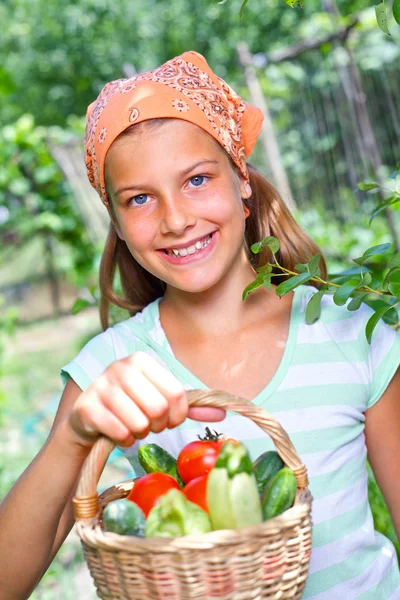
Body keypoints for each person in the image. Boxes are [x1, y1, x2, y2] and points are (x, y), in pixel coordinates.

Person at [0, 50, 399, 600]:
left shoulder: (355, 333)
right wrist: (72, 439)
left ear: (241, 178)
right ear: (116, 222)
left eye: (196, 180)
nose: (176, 219)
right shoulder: (109, 368)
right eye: (139, 198)